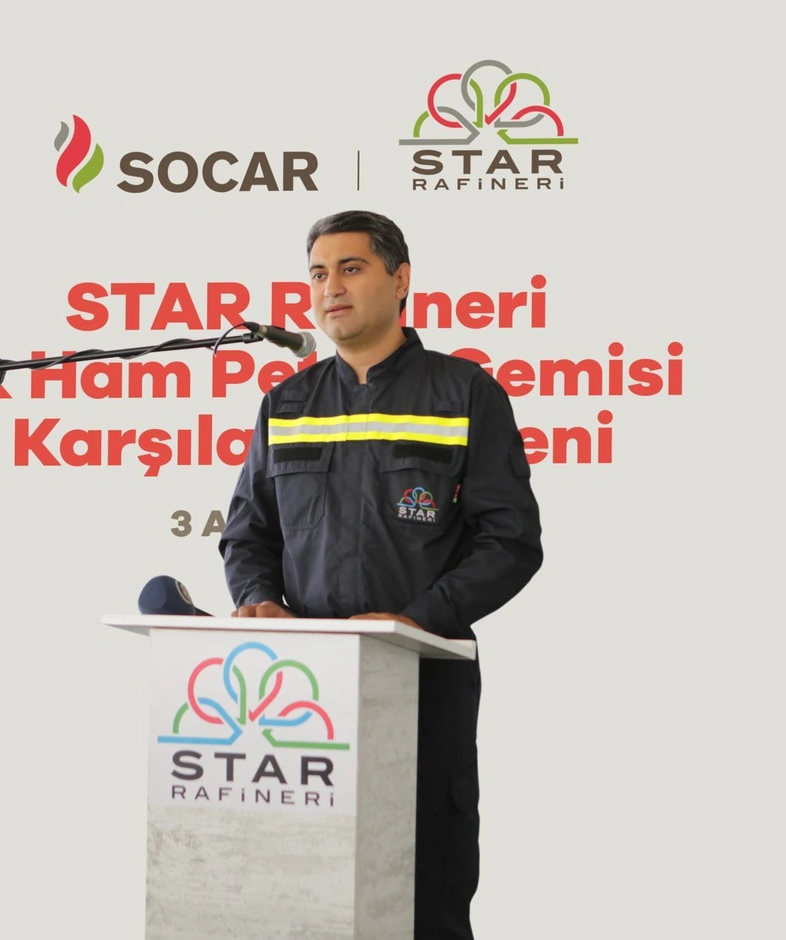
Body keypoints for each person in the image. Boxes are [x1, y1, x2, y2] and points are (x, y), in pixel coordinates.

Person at [219, 209, 543, 939]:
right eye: (317, 274)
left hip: (422, 684)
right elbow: (247, 534)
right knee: (307, 896)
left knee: (423, 891)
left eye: (351, 268)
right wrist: (259, 597)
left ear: (401, 281)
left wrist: (418, 617)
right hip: (304, 695)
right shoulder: (287, 405)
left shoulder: (464, 393)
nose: (330, 288)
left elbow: (511, 540)